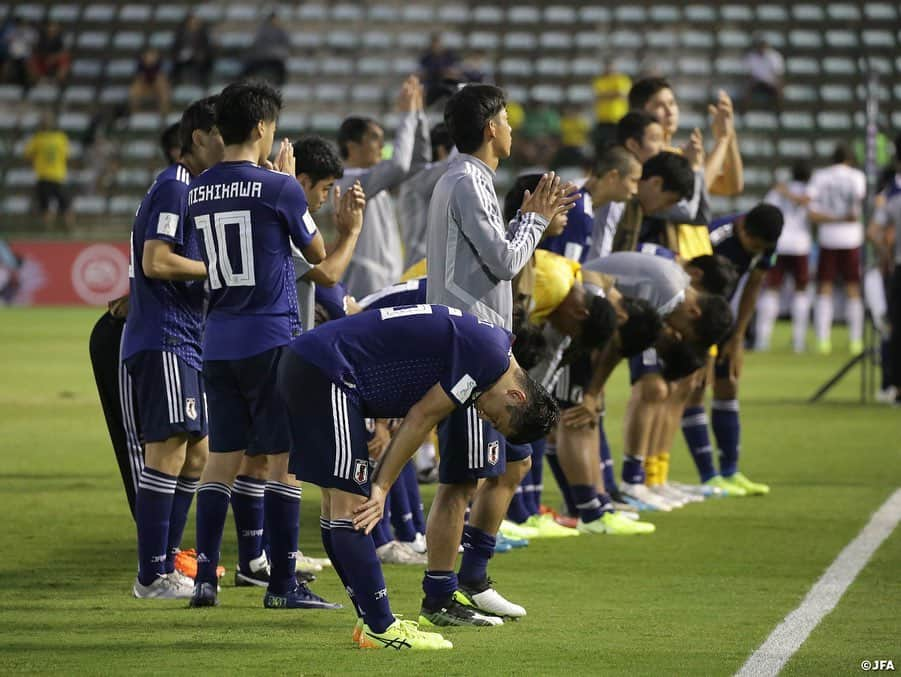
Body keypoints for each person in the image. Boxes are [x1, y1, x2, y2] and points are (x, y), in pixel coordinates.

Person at [424, 83, 575, 624]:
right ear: (491, 128)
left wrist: (530, 217)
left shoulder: (472, 179)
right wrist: (533, 219)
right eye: (508, 119)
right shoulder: (466, 180)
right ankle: (440, 598)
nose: (512, 128)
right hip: (466, 342)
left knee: (515, 459)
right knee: (460, 480)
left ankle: (474, 579)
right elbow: (507, 261)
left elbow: (489, 259)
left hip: (484, 341)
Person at [185, 81, 334, 610]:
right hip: (271, 336)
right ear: (261, 129)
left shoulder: (197, 188)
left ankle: (205, 579)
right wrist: (288, 184)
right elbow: (316, 249)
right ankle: (282, 583)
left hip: (217, 340)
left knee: (221, 460)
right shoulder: (280, 187)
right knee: (284, 461)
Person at [121, 96, 224, 598]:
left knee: (197, 455)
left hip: (186, 340)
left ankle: (166, 561)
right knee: (168, 452)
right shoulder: (176, 187)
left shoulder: (192, 191)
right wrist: (217, 270)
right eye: (223, 135)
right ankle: (152, 574)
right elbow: (156, 261)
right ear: (199, 137)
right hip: (164, 337)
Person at [680, 205, 783, 496]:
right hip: (694, 319)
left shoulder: (767, 243)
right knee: (696, 388)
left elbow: (754, 285)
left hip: (723, 318)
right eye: (754, 246)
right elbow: (693, 283)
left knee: (728, 386)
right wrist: (706, 349)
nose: (757, 252)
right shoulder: (716, 237)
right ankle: (709, 476)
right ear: (743, 230)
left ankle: (730, 472)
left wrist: (738, 337)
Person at [336, 76, 429, 298]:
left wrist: (417, 116)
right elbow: (399, 164)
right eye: (374, 139)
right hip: (366, 287)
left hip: (386, 282)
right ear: (352, 145)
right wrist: (406, 115)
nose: (381, 146)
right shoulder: (350, 182)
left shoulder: (373, 180)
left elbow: (418, 165)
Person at [291, 135, 365, 331]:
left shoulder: (293, 214)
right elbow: (327, 274)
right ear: (304, 182)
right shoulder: (287, 218)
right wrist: (352, 233)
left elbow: (315, 261)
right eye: (325, 188)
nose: (325, 197)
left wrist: (342, 234)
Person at [808, 143, 868, 355]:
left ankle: (823, 340)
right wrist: (844, 218)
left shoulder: (820, 177)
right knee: (853, 289)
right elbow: (858, 209)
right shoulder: (857, 177)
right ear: (850, 159)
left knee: (824, 288)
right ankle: (855, 340)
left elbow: (812, 213)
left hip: (828, 238)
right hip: (852, 238)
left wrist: (833, 218)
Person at [757, 161, 816, 352]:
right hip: (801, 246)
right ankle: (798, 341)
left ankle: (762, 340)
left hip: (779, 245)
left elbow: (763, 212)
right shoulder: (812, 190)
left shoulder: (779, 191)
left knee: (771, 290)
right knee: (800, 291)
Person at [398, 123, 455, 271]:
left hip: (432, 267)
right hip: (419, 268)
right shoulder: (419, 179)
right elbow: (455, 162)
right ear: (441, 151)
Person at [871, 142, 901, 406]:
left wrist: (886, 256)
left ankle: (892, 385)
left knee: (894, 328)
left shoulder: (892, 195)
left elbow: (874, 232)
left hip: (898, 268)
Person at [24, 112, 73, 231]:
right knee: (66, 207)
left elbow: (27, 155)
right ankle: (69, 231)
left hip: (44, 177)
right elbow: (67, 156)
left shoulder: (37, 138)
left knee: (46, 208)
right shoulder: (61, 138)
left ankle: (48, 232)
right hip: (58, 177)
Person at [591, 57, 631, 152]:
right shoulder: (599, 80)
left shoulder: (622, 79)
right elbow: (599, 95)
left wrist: (606, 94)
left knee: (618, 147)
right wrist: (613, 93)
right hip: (603, 120)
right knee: (601, 148)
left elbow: (622, 94)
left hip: (618, 119)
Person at [242, 12, 290, 86]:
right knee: (248, 66)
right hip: (262, 57)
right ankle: (244, 82)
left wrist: (276, 52)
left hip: (276, 58)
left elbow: (285, 44)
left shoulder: (281, 31)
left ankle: (281, 84)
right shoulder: (263, 30)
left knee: (280, 68)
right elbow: (257, 43)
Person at [170, 12, 214, 87]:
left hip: (198, 55)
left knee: (206, 60)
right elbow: (175, 47)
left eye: (195, 22)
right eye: (191, 22)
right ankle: (177, 81)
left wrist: (201, 53)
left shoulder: (202, 33)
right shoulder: (180, 33)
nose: (193, 24)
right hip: (183, 55)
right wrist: (180, 53)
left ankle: (203, 81)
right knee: (177, 60)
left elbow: (206, 47)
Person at [743, 34, 784, 112]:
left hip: (770, 82)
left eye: (763, 45)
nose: (762, 48)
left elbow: (778, 74)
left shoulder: (774, 57)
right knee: (746, 88)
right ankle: (747, 111)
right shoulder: (751, 57)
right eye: (760, 45)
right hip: (756, 82)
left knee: (779, 90)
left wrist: (778, 84)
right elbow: (748, 74)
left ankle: (778, 111)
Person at [419, 34, 460, 105]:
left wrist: (448, 72)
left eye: (438, 43)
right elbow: (423, 71)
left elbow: (454, 70)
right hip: (431, 81)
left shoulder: (449, 55)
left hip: (445, 81)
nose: (437, 45)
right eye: (435, 43)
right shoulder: (427, 57)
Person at [129, 48, 171, 116]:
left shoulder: (160, 65)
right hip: (144, 86)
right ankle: (135, 113)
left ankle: (164, 113)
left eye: (152, 56)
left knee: (164, 89)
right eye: (148, 56)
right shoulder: (140, 65)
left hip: (157, 86)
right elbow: (139, 79)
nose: (150, 58)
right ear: (144, 56)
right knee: (133, 91)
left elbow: (163, 78)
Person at [28, 20, 70, 85]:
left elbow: (64, 51)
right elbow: (36, 50)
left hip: (56, 59)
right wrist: (45, 56)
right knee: (31, 60)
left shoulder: (62, 37)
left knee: (65, 59)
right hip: (43, 58)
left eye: (54, 28)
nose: (52, 30)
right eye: (50, 27)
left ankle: (58, 80)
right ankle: (38, 80)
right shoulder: (40, 37)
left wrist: (54, 57)